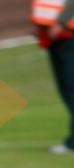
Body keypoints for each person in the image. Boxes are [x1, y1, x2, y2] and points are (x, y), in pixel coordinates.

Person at [32, 0, 74, 153]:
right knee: (67, 91)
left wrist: (60, 23)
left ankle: (72, 142)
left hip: (68, 35)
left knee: (71, 91)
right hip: (54, 37)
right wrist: (40, 27)